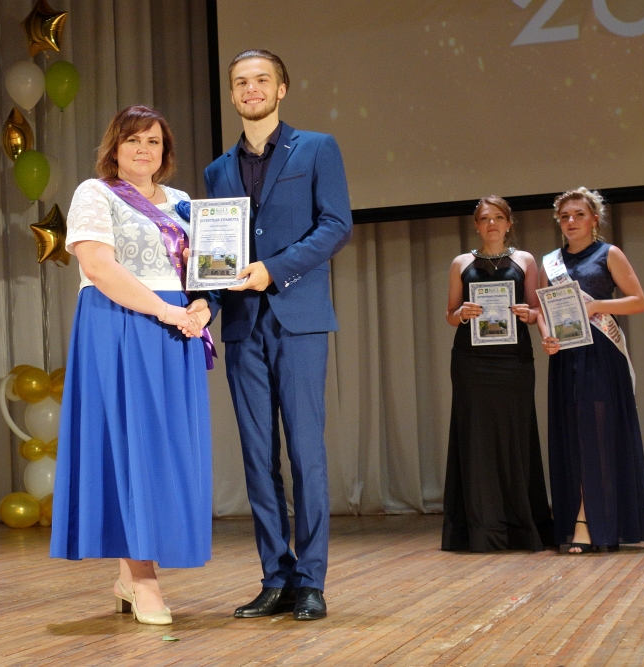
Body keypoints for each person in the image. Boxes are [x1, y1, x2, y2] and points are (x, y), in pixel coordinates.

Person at [193, 49, 353, 621]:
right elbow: (217, 254)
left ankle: (311, 580)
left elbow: (336, 225)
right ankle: (275, 577)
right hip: (243, 327)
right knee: (257, 459)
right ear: (233, 93)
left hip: (299, 320)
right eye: (241, 82)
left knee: (306, 454)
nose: (251, 89)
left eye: (262, 79)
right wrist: (206, 301)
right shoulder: (216, 171)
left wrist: (275, 269)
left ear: (282, 88)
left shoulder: (317, 148)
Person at [49, 105, 214, 625]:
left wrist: (202, 306)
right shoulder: (95, 194)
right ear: (114, 148)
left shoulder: (184, 203)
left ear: (166, 152)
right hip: (121, 325)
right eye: (133, 140)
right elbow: (99, 267)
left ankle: (129, 577)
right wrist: (166, 310)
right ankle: (143, 580)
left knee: (167, 453)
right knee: (130, 449)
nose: (144, 149)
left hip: (178, 332)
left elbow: (207, 271)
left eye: (154, 141)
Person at [538, 187, 644, 554]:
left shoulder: (609, 254)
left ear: (594, 220)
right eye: (564, 216)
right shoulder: (550, 262)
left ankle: (588, 522)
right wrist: (546, 338)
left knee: (597, 436)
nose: (571, 221)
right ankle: (584, 520)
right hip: (566, 357)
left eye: (579, 215)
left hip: (601, 355)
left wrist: (598, 305)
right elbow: (542, 310)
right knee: (572, 438)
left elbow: (638, 301)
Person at [441, 195, 554, 552]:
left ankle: (521, 526)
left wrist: (528, 314)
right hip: (472, 362)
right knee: (475, 438)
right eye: (485, 219)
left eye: (498, 218)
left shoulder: (525, 260)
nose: (492, 224)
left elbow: (536, 310)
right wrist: (463, 313)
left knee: (516, 436)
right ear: (476, 226)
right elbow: (449, 315)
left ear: (509, 224)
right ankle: (480, 527)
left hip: (513, 360)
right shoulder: (461, 262)